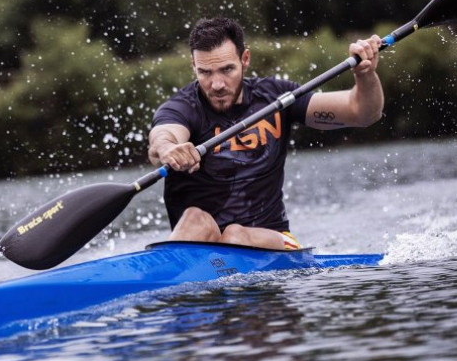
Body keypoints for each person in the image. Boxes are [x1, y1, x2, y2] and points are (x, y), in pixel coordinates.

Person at [148, 17, 383, 250]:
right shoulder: (183, 107)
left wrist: (365, 75)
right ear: (193, 66)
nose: (217, 84)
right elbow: (163, 137)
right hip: (203, 243)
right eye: (205, 72)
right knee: (194, 218)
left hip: (273, 239)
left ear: (245, 59)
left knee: (234, 233)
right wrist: (170, 149)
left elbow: (361, 113)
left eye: (227, 69)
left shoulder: (277, 98)